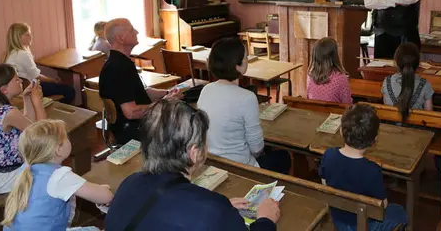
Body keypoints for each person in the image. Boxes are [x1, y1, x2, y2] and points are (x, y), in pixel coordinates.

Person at [105, 100, 280, 231]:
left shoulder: (129, 184)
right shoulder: (212, 210)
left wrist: (222, 209)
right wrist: (266, 220)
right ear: (194, 153)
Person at [197, 37, 291, 174]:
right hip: (240, 167)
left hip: (212, 163)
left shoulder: (206, 90)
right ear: (237, 66)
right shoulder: (247, 97)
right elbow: (256, 149)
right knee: (283, 156)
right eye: (246, 57)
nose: (247, 60)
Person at [1, 119, 113, 230]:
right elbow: (106, 197)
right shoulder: (58, 176)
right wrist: (102, 189)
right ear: (58, 149)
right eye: (66, 137)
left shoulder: (25, 168)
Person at [319, 104, 407, 231]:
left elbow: (324, 184)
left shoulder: (329, 155)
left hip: (338, 219)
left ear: (341, 131)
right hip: (365, 225)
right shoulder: (372, 170)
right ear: (374, 140)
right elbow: (383, 206)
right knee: (399, 211)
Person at [98, 18, 182, 144]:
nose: (136, 32)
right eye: (131, 30)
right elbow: (131, 112)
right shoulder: (119, 68)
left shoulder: (118, 62)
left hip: (133, 125)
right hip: (134, 131)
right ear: (120, 38)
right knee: (184, 122)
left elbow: (141, 92)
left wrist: (168, 92)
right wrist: (164, 103)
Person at [0, 64, 47, 194]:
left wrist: (27, 99)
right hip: (3, 178)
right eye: (16, 79)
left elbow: (27, 127)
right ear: (4, 90)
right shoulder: (8, 113)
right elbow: (43, 133)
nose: (20, 80)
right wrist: (37, 101)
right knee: (48, 165)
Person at [4, 23, 76, 104]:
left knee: (56, 86)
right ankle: (48, 105)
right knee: (69, 91)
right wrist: (53, 80)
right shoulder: (22, 54)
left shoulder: (12, 53)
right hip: (28, 87)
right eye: (27, 34)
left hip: (23, 85)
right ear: (18, 38)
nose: (31, 37)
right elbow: (36, 76)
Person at [381, 43, 434, 118]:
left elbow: (386, 105)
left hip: (390, 124)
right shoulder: (425, 84)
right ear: (418, 64)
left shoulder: (387, 81)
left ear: (396, 62)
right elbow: (429, 115)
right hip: (417, 125)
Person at [307, 37, 352, 104]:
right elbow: (347, 103)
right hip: (335, 110)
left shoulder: (310, 74)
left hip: (314, 109)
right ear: (335, 56)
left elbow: (308, 97)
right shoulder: (341, 78)